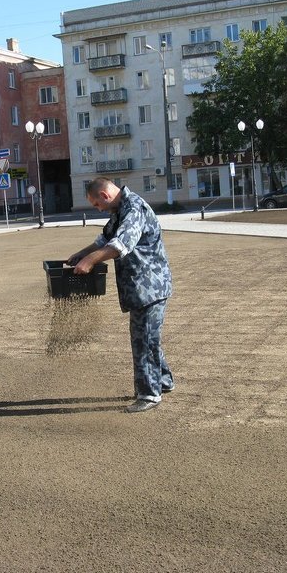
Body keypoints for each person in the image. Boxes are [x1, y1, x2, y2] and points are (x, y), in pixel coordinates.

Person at [67, 177, 174, 413]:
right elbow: (104, 240)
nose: (98, 209)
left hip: (150, 286)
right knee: (148, 336)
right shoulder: (119, 210)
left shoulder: (134, 208)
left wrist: (89, 261)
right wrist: (81, 254)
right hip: (141, 286)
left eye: (97, 204)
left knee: (143, 339)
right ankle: (163, 381)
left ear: (104, 196)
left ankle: (149, 394)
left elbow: (119, 245)